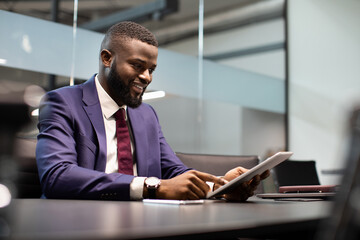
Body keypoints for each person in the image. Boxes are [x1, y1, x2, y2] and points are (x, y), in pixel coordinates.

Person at [36, 21, 268, 201]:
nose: (147, 77)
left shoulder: (146, 115)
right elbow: (57, 176)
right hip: (80, 223)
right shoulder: (62, 102)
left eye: (151, 69)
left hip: (145, 221)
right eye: (137, 66)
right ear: (107, 58)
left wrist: (220, 187)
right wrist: (150, 187)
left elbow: (173, 171)